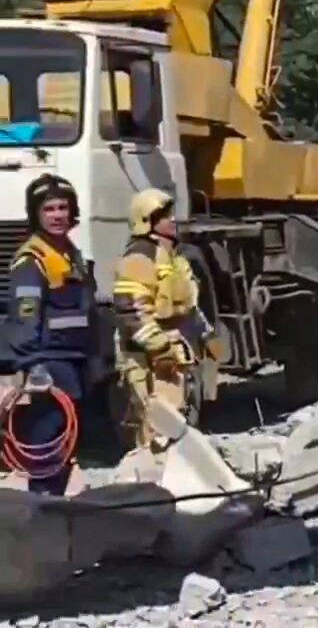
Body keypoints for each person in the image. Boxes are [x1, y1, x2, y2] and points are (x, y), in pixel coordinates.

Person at [2, 175, 93, 495]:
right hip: (49, 366)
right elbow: (24, 321)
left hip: (73, 363)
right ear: (36, 214)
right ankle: (41, 513)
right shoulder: (33, 261)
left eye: (63, 208)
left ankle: (55, 508)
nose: (57, 215)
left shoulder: (69, 253)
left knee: (65, 450)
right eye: (49, 209)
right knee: (46, 447)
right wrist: (34, 366)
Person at [111, 188, 223, 449]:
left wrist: (206, 335)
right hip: (148, 361)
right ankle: (150, 483)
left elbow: (189, 306)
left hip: (173, 358)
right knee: (156, 431)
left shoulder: (176, 258)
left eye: (171, 215)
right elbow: (131, 311)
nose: (172, 220)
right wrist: (160, 350)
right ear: (146, 220)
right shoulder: (139, 256)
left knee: (177, 426)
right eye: (164, 216)